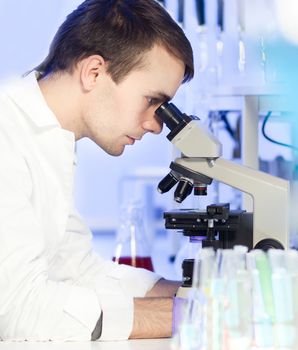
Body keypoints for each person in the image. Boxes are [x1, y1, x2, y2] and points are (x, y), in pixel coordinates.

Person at [0, 0, 193, 342]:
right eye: (152, 101)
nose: (156, 125)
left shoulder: (49, 138)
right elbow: (16, 308)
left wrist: (184, 293)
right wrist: (192, 314)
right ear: (93, 73)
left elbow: (76, 270)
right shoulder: (6, 133)